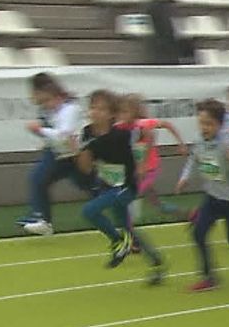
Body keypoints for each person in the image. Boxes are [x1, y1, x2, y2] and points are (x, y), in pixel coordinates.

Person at [75, 89, 165, 283]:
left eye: (102, 109)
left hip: (126, 186)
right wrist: (81, 155)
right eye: (93, 107)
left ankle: (117, 241)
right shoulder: (87, 133)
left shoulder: (123, 133)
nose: (96, 112)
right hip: (106, 185)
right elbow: (85, 167)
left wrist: (142, 163)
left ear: (112, 114)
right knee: (127, 228)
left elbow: (147, 134)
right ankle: (157, 263)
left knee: (89, 211)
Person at [176, 99, 229, 293]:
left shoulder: (226, 144)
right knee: (198, 233)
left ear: (219, 124)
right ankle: (209, 277)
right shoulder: (199, 141)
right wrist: (184, 178)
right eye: (201, 123)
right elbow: (193, 159)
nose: (204, 128)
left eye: (209, 124)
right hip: (212, 197)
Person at [19, 72, 91, 236]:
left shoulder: (70, 109)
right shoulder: (46, 110)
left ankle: (121, 198)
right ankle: (41, 219)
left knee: (90, 185)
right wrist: (42, 134)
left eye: (46, 99)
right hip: (58, 154)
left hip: (75, 155)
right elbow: (54, 136)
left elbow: (64, 136)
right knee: (38, 179)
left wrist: (40, 130)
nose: (44, 103)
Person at [117, 94, 186, 234]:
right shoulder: (121, 127)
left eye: (125, 112)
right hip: (136, 172)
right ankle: (189, 215)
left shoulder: (143, 124)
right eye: (120, 112)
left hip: (149, 170)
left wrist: (181, 144)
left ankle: (131, 237)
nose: (121, 115)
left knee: (126, 198)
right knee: (157, 204)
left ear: (134, 112)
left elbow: (167, 125)